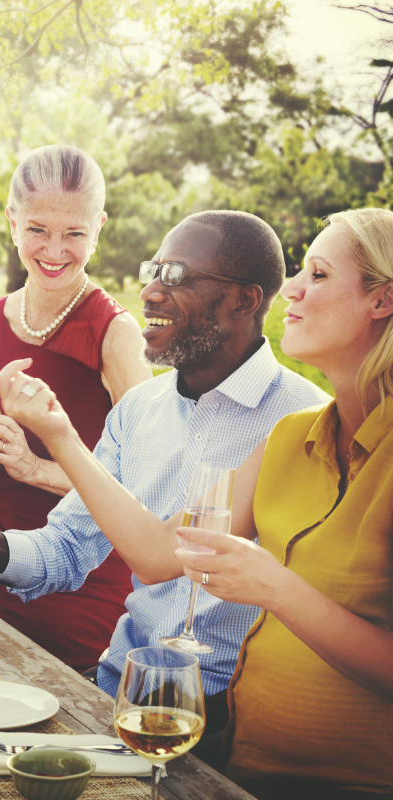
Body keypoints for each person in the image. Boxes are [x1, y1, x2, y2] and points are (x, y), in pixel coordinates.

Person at [23, 208, 391, 799]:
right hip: (245, 760)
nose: (291, 288)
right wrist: (59, 434)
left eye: (317, 275)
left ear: (383, 299)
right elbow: (160, 554)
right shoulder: (292, 436)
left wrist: (273, 585)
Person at [0, 211, 330, 739]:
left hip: (228, 713)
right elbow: (70, 546)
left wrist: (58, 437)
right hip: (117, 686)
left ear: (244, 301)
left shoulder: (305, 422)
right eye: (153, 272)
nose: (152, 293)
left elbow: (170, 556)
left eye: (177, 277)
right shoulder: (139, 409)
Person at [0, 144, 153, 671]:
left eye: (75, 234)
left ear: (100, 228)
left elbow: (146, 491)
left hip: (87, 584)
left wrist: (34, 468)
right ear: (12, 221)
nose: (55, 250)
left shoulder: (115, 334)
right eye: (38, 229)